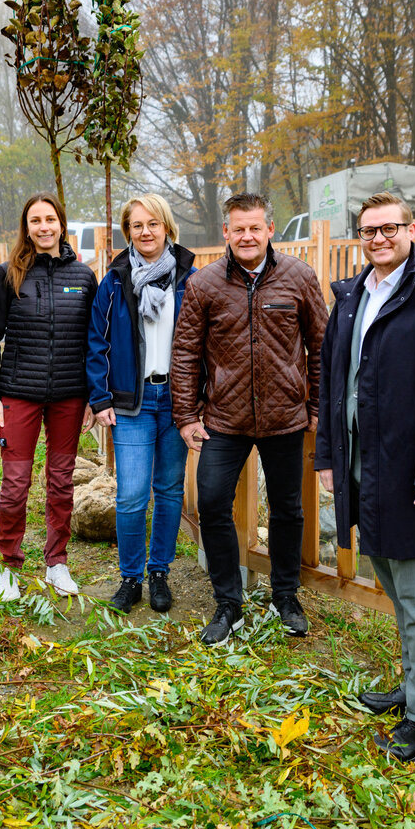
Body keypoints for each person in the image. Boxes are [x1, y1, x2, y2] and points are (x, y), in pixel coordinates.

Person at [315, 192, 415, 761]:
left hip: (413, 470)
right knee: (391, 578)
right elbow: (333, 379)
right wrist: (329, 456)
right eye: (369, 231)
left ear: (412, 230)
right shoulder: (353, 296)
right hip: (365, 462)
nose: (379, 239)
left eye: (389, 229)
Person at [170, 192, 328, 645]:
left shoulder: (298, 277)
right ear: (226, 232)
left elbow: (321, 348)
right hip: (223, 418)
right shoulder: (205, 284)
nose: (246, 236)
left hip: (285, 419)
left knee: (288, 510)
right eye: (238, 228)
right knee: (212, 504)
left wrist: (315, 407)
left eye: (255, 227)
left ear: (270, 229)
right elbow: (185, 353)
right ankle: (228, 603)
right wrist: (186, 415)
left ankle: (285, 596)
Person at [0, 193, 97, 601]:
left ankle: (57, 563)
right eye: (35, 220)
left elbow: (93, 342)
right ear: (26, 227)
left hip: (69, 397)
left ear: (61, 224)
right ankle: (9, 566)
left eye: (50, 219)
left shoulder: (84, 277)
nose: (44, 227)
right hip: (18, 395)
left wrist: (91, 399)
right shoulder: (8, 274)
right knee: (15, 484)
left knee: (61, 482)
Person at [86, 194, 198, 613]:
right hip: (131, 403)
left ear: (167, 227)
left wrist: (199, 400)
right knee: (131, 495)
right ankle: (130, 578)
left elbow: (205, 342)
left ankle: (159, 573)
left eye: (153, 224)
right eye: (136, 225)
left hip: (176, 402)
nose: (145, 232)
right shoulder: (115, 280)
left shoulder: (190, 278)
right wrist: (100, 398)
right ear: (127, 231)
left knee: (168, 491)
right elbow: (96, 341)